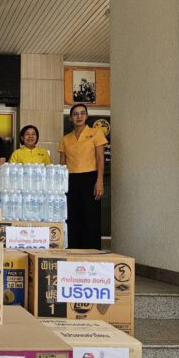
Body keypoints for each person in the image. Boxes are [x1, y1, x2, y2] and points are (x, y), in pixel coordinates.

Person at [59, 104, 107, 250]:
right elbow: (62, 163)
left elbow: (100, 158)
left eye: (82, 113)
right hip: (70, 180)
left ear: (86, 116)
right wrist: (60, 186)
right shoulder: (66, 139)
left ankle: (92, 252)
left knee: (90, 216)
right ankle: (73, 250)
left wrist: (99, 181)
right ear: (70, 118)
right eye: (75, 114)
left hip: (90, 178)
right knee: (72, 216)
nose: (79, 116)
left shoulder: (96, 133)